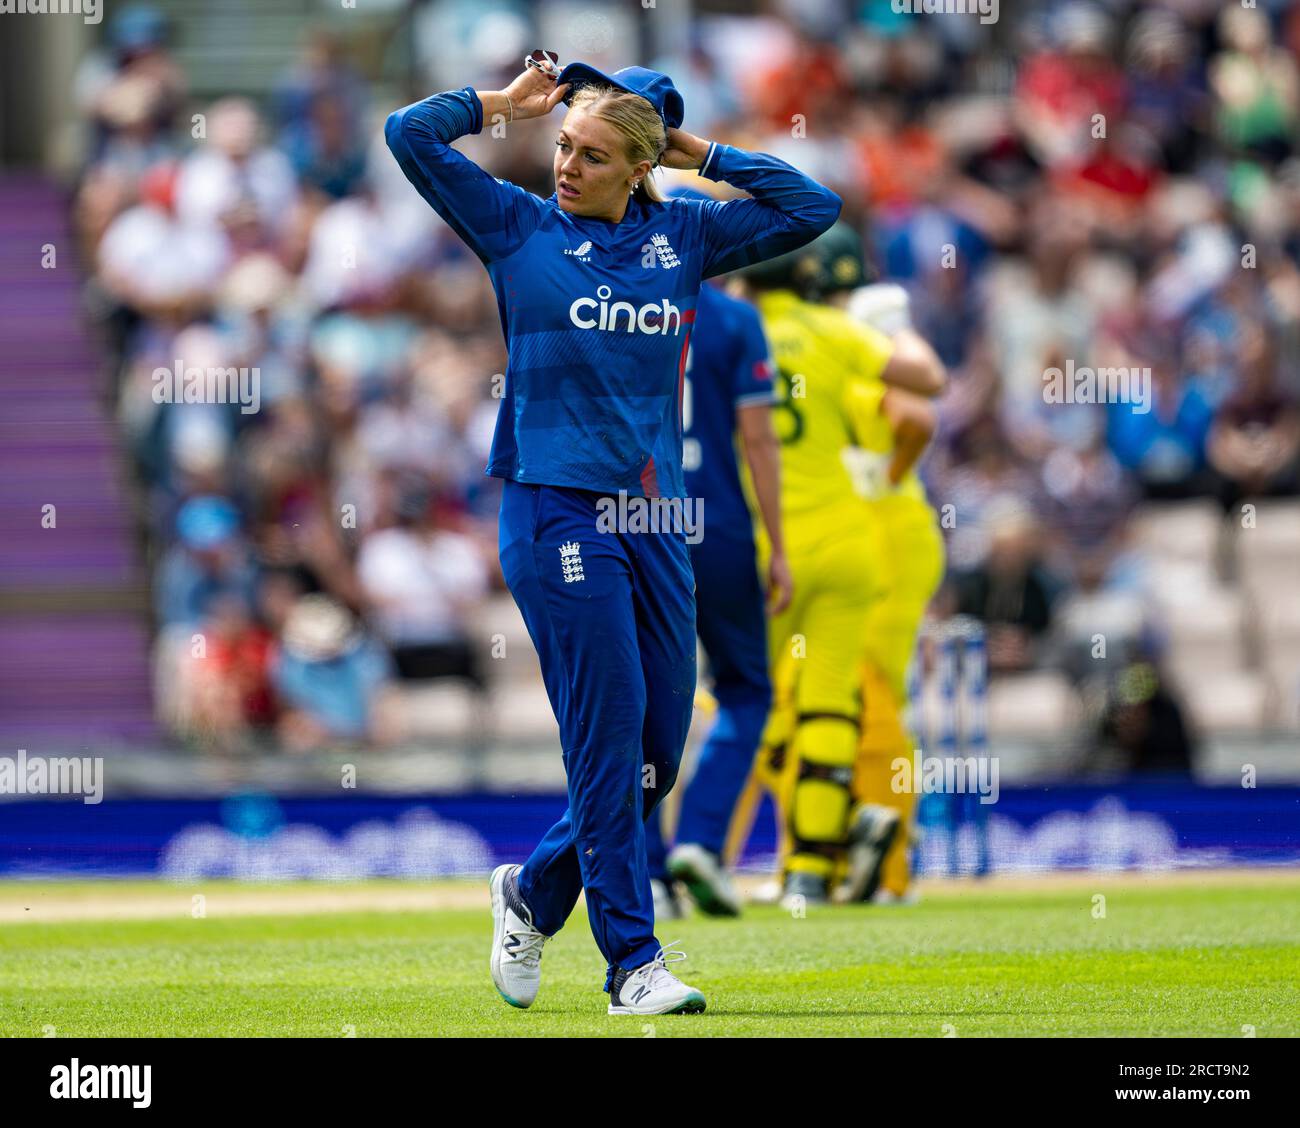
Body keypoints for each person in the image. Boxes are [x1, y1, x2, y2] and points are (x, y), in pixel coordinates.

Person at [385, 54, 840, 1015]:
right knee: (607, 740)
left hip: (655, 519)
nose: (566, 166)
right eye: (563, 146)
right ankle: (632, 963)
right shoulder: (516, 227)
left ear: (640, 167)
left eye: (593, 155)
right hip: (553, 509)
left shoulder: (685, 233)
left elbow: (813, 206)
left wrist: (695, 150)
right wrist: (498, 104)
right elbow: (407, 136)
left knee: (657, 756)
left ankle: (533, 891)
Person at [726, 226, 944, 908]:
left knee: (843, 700)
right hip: (863, 532)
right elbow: (919, 402)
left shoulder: (799, 330)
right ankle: (828, 855)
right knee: (844, 700)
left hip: (831, 531)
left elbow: (911, 417)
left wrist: (881, 474)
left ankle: (866, 863)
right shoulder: (847, 332)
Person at [641, 185, 791, 921]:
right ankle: (701, 835)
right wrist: (779, 546)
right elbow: (759, 440)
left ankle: (648, 876)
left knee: (632, 703)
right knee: (748, 689)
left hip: (636, 516)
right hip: (721, 526)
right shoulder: (737, 320)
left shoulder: (625, 301)